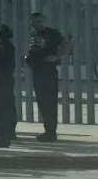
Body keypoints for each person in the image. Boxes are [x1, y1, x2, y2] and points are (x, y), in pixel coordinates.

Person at [25, 12, 66, 142]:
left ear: (43, 21)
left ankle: (51, 132)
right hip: (37, 71)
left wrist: (57, 56)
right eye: (34, 22)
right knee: (42, 102)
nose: (36, 24)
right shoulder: (34, 35)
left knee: (49, 102)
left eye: (39, 21)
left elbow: (66, 45)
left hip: (48, 71)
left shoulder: (52, 33)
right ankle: (48, 131)